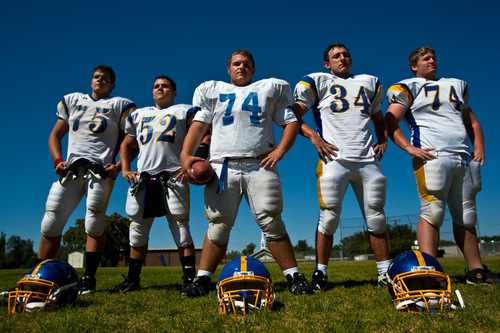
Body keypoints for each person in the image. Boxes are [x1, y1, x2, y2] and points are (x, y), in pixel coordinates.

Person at [180, 49, 314, 296]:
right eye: (236, 64)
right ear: (228, 69)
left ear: (253, 69)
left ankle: (294, 276)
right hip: (223, 166)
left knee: (271, 221)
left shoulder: (268, 90)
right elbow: (199, 126)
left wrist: (281, 150)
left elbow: (291, 121)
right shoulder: (214, 92)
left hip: (260, 164)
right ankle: (202, 279)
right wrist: (185, 156)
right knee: (218, 225)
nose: (241, 67)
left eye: (246, 64)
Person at [385, 46, 500, 284]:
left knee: (467, 216)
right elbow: (389, 120)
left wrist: (479, 147)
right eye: (425, 58)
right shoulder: (407, 86)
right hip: (433, 156)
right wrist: (408, 147)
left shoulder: (456, 85)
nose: (431, 61)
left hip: (462, 157)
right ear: (414, 66)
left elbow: (472, 122)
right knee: (433, 213)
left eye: (433, 58)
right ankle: (429, 271)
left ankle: (476, 270)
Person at [292, 43, 391, 291]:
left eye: (346, 54)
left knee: (376, 218)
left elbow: (379, 118)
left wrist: (383, 139)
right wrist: (315, 137)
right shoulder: (318, 81)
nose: (342, 58)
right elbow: (291, 115)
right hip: (334, 159)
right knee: (328, 218)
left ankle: (384, 273)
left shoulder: (369, 83)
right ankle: (321, 273)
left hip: (367, 159)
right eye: (336, 56)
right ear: (327, 63)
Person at [38, 65, 137, 294]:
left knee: (93, 223)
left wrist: (120, 166)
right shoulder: (72, 100)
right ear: (91, 80)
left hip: (100, 171)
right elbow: (55, 135)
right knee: (51, 222)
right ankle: (38, 273)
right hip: (71, 169)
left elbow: (133, 142)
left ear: (113, 85)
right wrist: (57, 160)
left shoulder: (120, 105)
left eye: (105, 78)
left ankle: (88, 279)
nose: (99, 80)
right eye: (96, 76)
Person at [106, 75, 204, 294]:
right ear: (152, 92)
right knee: (137, 231)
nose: (160, 89)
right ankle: (133, 280)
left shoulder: (185, 111)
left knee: (181, 230)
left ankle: (189, 279)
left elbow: (205, 133)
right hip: (143, 178)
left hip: (173, 177)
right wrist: (124, 168)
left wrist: (191, 162)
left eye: (165, 86)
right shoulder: (139, 114)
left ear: (174, 91)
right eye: (156, 86)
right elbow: (126, 145)